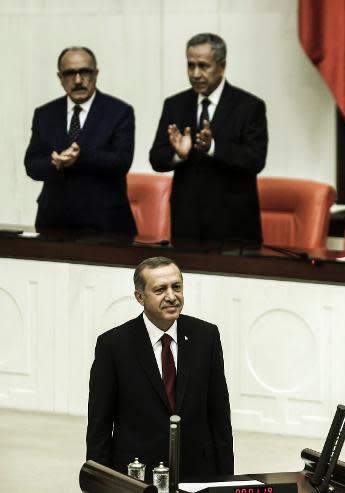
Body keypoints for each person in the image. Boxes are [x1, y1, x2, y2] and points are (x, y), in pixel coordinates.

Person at [86, 256, 234, 479]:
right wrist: (99, 484)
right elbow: (100, 427)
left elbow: (219, 417)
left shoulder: (206, 337)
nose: (171, 297)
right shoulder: (113, 346)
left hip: (197, 473)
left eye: (177, 287)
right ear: (139, 296)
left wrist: (226, 481)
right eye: (160, 290)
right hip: (137, 476)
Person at [149, 33, 268, 242]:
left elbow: (255, 160)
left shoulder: (249, 107)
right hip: (187, 224)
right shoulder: (175, 104)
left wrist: (212, 147)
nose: (195, 73)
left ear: (221, 66)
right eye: (190, 65)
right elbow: (156, 158)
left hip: (234, 226)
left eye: (203, 66)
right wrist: (179, 155)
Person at [24, 46, 136, 235]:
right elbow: (32, 165)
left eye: (84, 72)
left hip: (105, 224)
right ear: (60, 78)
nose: (78, 80)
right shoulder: (45, 114)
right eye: (70, 73)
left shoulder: (119, 112)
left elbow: (121, 162)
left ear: (96, 73)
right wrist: (54, 162)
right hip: (54, 221)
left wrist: (80, 157)